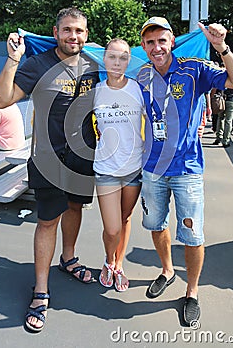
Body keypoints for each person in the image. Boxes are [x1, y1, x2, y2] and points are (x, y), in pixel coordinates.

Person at [137, 16, 233, 326]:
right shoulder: (141, 76)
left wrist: (221, 46)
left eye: (162, 40)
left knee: (192, 234)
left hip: (187, 169)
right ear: (144, 46)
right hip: (153, 169)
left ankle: (192, 291)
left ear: (172, 41)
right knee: (156, 224)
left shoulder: (194, 69)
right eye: (150, 41)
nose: (156, 47)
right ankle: (167, 271)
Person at [0, 7, 99, 333]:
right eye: (67, 30)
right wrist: (13, 59)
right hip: (48, 159)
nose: (73, 37)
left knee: (76, 207)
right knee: (47, 221)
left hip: (82, 159)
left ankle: (68, 259)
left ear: (86, 34)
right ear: (56, 32)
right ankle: (41, 291)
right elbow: (1, 100)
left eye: (79, 31)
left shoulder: (93, 67)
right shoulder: (36, 65)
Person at [93, 38, 145, 292]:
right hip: (106, 169)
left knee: (125, 218)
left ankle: (118, 263)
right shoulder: (95, 91)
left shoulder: (138, 89)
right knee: (112, 227)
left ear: (129, 61)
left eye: (123, 57)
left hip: (134, 168)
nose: (117, 62)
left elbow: (161, 119)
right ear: (104, 59)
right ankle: (108, 258)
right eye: (112, 57)